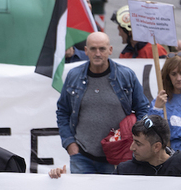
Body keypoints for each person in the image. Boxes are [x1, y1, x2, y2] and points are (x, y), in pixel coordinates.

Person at [55, 31, 150, 174]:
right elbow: (62, 111)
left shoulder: (126, 76)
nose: (97, 53)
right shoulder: (74, 76)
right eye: (93, 49)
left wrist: (133, 142)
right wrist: (70, 144)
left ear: (110, 50)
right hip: (82, 157)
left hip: (118, 158)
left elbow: (143, 109)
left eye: (102, 49)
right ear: (86, 51)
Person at [108, 114, 181, 178]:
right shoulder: (125, 172)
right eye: (133, 141)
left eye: (138, 143)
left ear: (156, 147)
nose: (132, 147)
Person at [152, 54, 181, 150]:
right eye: (173, 74)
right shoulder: (161, 101)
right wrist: (156, 109)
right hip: (169, 158)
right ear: (168, 76)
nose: (178, 78)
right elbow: (150, 131)